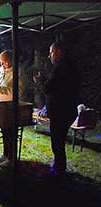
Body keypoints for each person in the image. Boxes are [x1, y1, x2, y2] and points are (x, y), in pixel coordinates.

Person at [44, 41, 80, 176]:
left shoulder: (61, 67)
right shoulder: (71, 66)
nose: (50, 56)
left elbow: (50, 87)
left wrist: (41, 81)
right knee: (60, 140)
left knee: (57, 142)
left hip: (60, 110)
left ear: (58, 52)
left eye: (51, 53)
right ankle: (58, 166)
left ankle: (58, 171)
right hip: (68, 109)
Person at [0, 50, 25, 167]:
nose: (3, 65)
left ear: (11, 60)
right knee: (4, 132)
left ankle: (12, 158)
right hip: (0, 105)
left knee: (11, 133)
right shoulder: (1, 70)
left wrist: (0, 89)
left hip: (10, 107)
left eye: (5, 62)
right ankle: (5, 155)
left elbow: (18, 91)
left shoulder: (18, 72)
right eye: (2, 63)